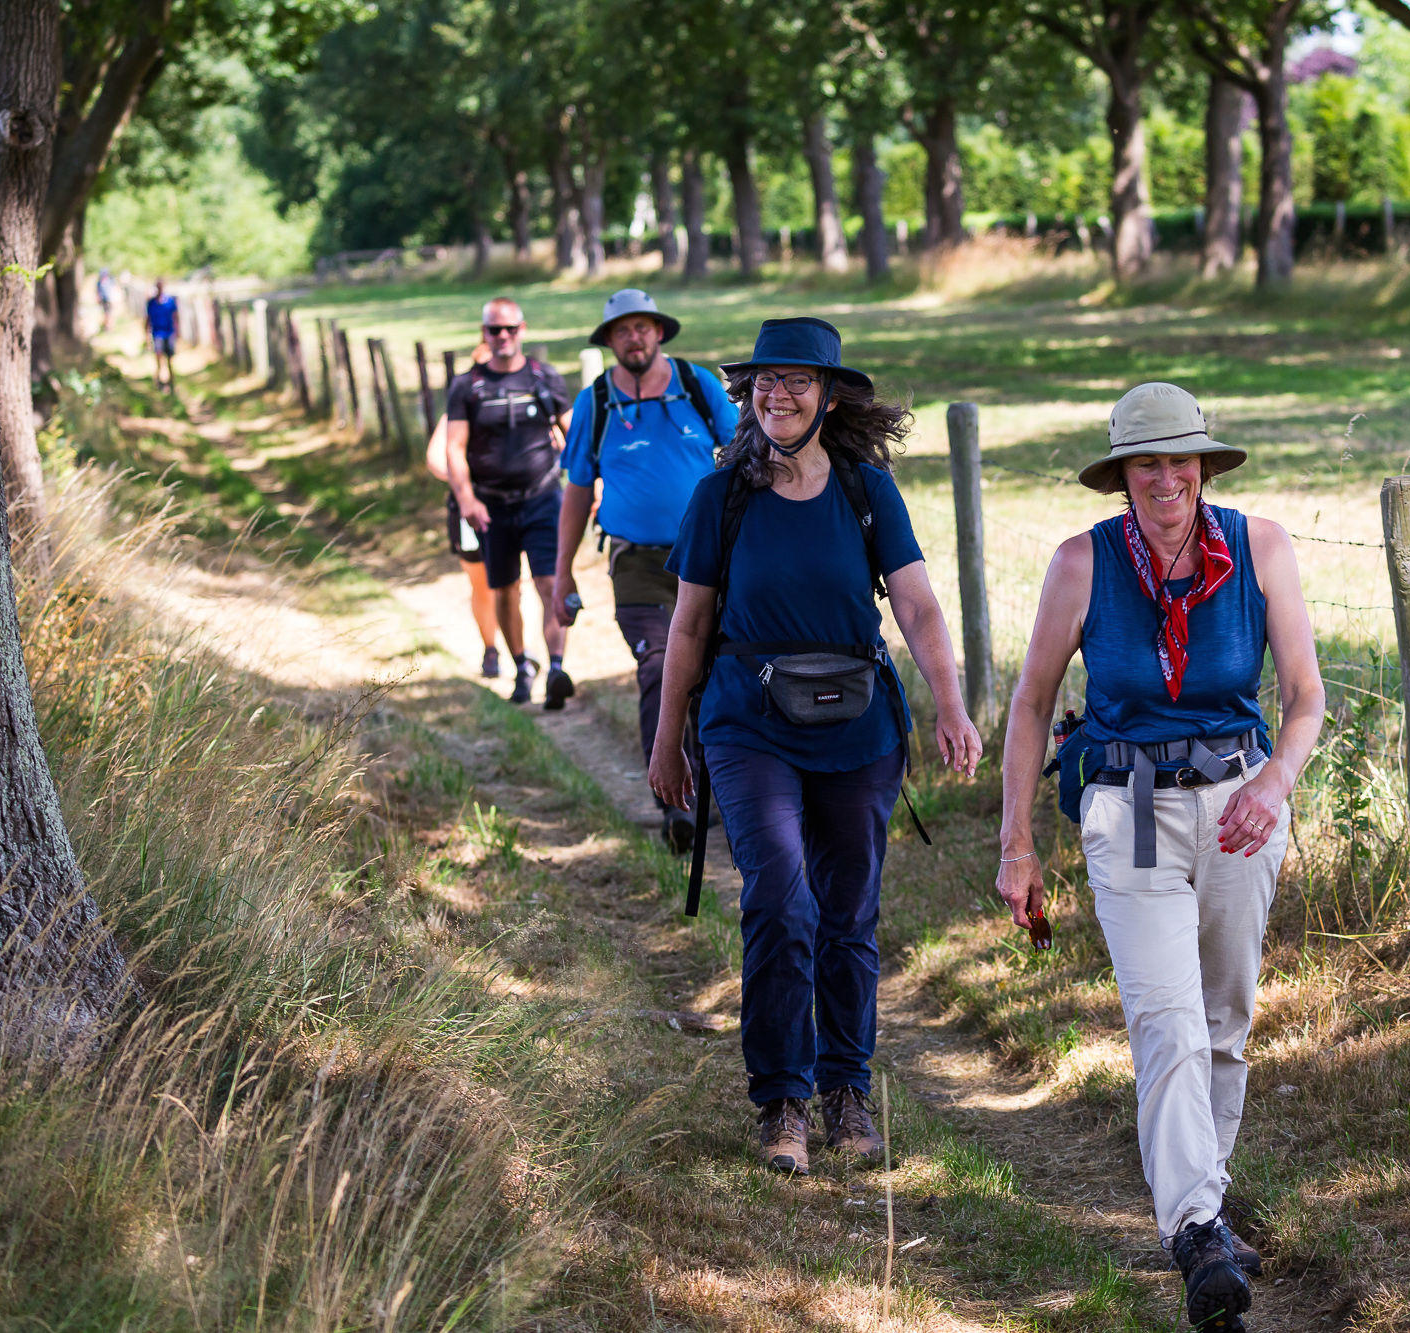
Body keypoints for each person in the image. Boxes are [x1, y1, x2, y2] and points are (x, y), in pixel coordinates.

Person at [994, 383, 1323, 1333]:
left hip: (1238, 802)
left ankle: (1206, 1207)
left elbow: (1304, 696)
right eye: (1148, 463)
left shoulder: (1261, 547)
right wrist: (1017, 841)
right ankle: (1196, 1234)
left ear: (1206, 464)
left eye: (1183, 459)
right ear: (1122, 478)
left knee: (1225, 1015)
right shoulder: (1080, 564)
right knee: (1166, 1018)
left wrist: (1276, 783)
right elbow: (1029, 705)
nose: (1168, 478)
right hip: (1128, 802)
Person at [650, 318, 982, 1176]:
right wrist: (665, 742)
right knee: (780, 903)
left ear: (829, 396)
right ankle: (783, 1102)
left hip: (859, 725)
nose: (778, 394)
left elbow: (916, 608)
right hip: (747, 722)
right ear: (749, 393)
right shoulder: (720, 498)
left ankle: (846, 1092)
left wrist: (951, 706)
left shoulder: (868, 490)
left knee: (848, 917)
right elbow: (688, 623)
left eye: (798, 380)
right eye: (766, 380)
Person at [554, 289, 739, 850]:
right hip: (635, 561)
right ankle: (672, 807)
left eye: (643, 327)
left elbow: (744, 457)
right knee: (659, 668)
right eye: (622, 330)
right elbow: (577, 488)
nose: (634, 337)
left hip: (708, 561)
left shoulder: (698, 386)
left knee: (712, 676)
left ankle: (714, 795)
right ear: (609, 341)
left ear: (659, 332)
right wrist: (562, 573)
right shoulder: (597, 401)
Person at [443, 297, 574, 706]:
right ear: (483, 333)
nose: (503, 336)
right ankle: (522, 667)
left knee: (550, 584)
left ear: (523, 330)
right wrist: (466, 498)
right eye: (494, 330)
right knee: (504, 591)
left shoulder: (544, 377)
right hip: (490, 506)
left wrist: (592, 486)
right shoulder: (467, 386)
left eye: (510, 329)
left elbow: (573, 435)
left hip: (543, 498)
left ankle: (555, 667)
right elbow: (454, 447)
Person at [426, 335, 507, 679]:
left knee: (517, 582)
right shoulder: (459, 410)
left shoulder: (524, 402)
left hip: (518, 507)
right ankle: (491, 648)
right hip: (469, 514)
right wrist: (467, 487)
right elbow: (434, 459)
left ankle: (523, 647)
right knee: (483, 584)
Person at [144, 279, 179, 389]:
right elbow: (147, 318)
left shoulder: (170, 301)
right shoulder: (151, 303)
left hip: (169, 332)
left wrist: (177, 331)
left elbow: (176, 316)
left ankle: (171, 380)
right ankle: (158, 380)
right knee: (158, 356)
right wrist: (146, 333)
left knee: (169, 358)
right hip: (157, 333)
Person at [96, 267, 115, 331]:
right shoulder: (99, 283)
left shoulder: (110, 281)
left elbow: (113, 290)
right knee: (105, 313)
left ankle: (109, 326)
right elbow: (98, 291)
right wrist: (98, 298)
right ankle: (106, 325)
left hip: (109, 299)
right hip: (103, 300)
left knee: (109, 313)